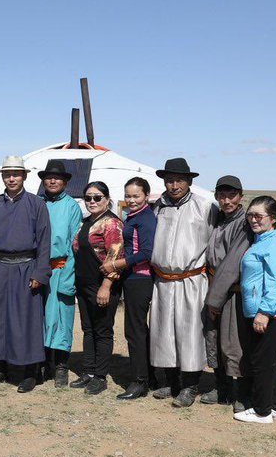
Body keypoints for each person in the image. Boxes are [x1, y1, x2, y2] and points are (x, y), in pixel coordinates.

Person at [0, 156, 51, 394]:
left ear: (24, 176)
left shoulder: (36, 204)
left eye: (16, 174)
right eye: (7, 174)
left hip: (26, 268)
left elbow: (44, 241)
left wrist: (40, 272)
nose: (11, 178)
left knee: (25, 321)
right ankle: (0, 367)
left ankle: (30, 372)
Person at [149, 158, 215, 408]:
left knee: (190, 333)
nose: (174, 185)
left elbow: (214, 241)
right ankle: (170, 381)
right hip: (163, 280)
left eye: (179, 180)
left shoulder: (205, 207)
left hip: (191, 279)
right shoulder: (159, 206)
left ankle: (190, 385)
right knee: (163, 332)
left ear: (189, 182)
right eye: (169, 180)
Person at [233, 196, 276, 424]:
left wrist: (265, 312)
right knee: (268, 360)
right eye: (250, 215)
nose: (253, 220)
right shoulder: (264, 239)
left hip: (273, 311)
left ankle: (262, 410)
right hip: (266, 309)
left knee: (260, 360)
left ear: (274, 218)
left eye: (259, 216)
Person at [201, 175, 252, 410]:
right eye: (222, 195)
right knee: (213, 338)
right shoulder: (218, 220)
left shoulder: (244, 224)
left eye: (232, 195)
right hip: (212, 284)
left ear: (240, 196)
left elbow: (232, 263)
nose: (227, 200)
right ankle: (222, 388)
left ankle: (242, 394)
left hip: (231, 291)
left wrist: (214, 300)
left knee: (234, 342)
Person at [70, 181, 124, 396]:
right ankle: (89, 371)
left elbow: (116, 256)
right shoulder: (86, 222)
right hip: (84, 284)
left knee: (102, 330)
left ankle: (100, 376)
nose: (92, 201)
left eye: (97, 197)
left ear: (107, 199)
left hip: (102, 284)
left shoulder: (111, 224)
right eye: (88, 198)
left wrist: (106, 286)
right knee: (88, 329)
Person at [109, 177, 157, 400]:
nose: (131, 200)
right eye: (128, 196)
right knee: (138, 329)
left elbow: (147, 252)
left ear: (146, 195)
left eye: (136, 196)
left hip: (140, 277)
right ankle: (149, 375)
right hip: (133, 277)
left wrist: (119, 264)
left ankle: (140, 381)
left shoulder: (145, 219)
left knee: (135, 330)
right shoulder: (133, 216)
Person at [38, 159, 81, 388]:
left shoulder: (72, 207)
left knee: (62, 319)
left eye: (57, 178)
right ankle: (43, 363)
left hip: (61, 268)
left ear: (65, 182)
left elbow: (76, 244)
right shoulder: (36, 203)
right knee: (40, 318)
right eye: (48, 177)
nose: (52, 181)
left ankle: (62, 366)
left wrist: (68, 276)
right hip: (38, 270)